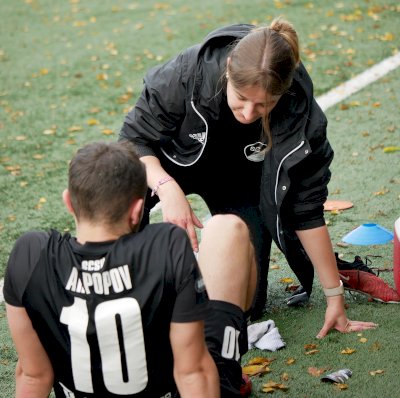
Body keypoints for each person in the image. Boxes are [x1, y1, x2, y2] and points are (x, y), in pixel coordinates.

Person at [119, 15, 377, 348]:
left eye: (264, 104)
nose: (248, 112)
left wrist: (334, 297)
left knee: (246, 304)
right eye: (241, 98)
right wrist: (166, 187)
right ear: (228, 71)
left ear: (282, 94)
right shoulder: (186, 73)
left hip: (238, 179)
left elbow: (306, 210)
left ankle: (192, 277)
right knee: (121, 187)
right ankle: (111, 277)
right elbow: (132, 140)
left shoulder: (302, 117)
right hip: (170, 166)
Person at [4, 141, 220, 398]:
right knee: (226, 230)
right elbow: (192, 372)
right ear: (138, 211)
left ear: (68, 203)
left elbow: (33, 376)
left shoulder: (30, 254)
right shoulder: (167, 245)